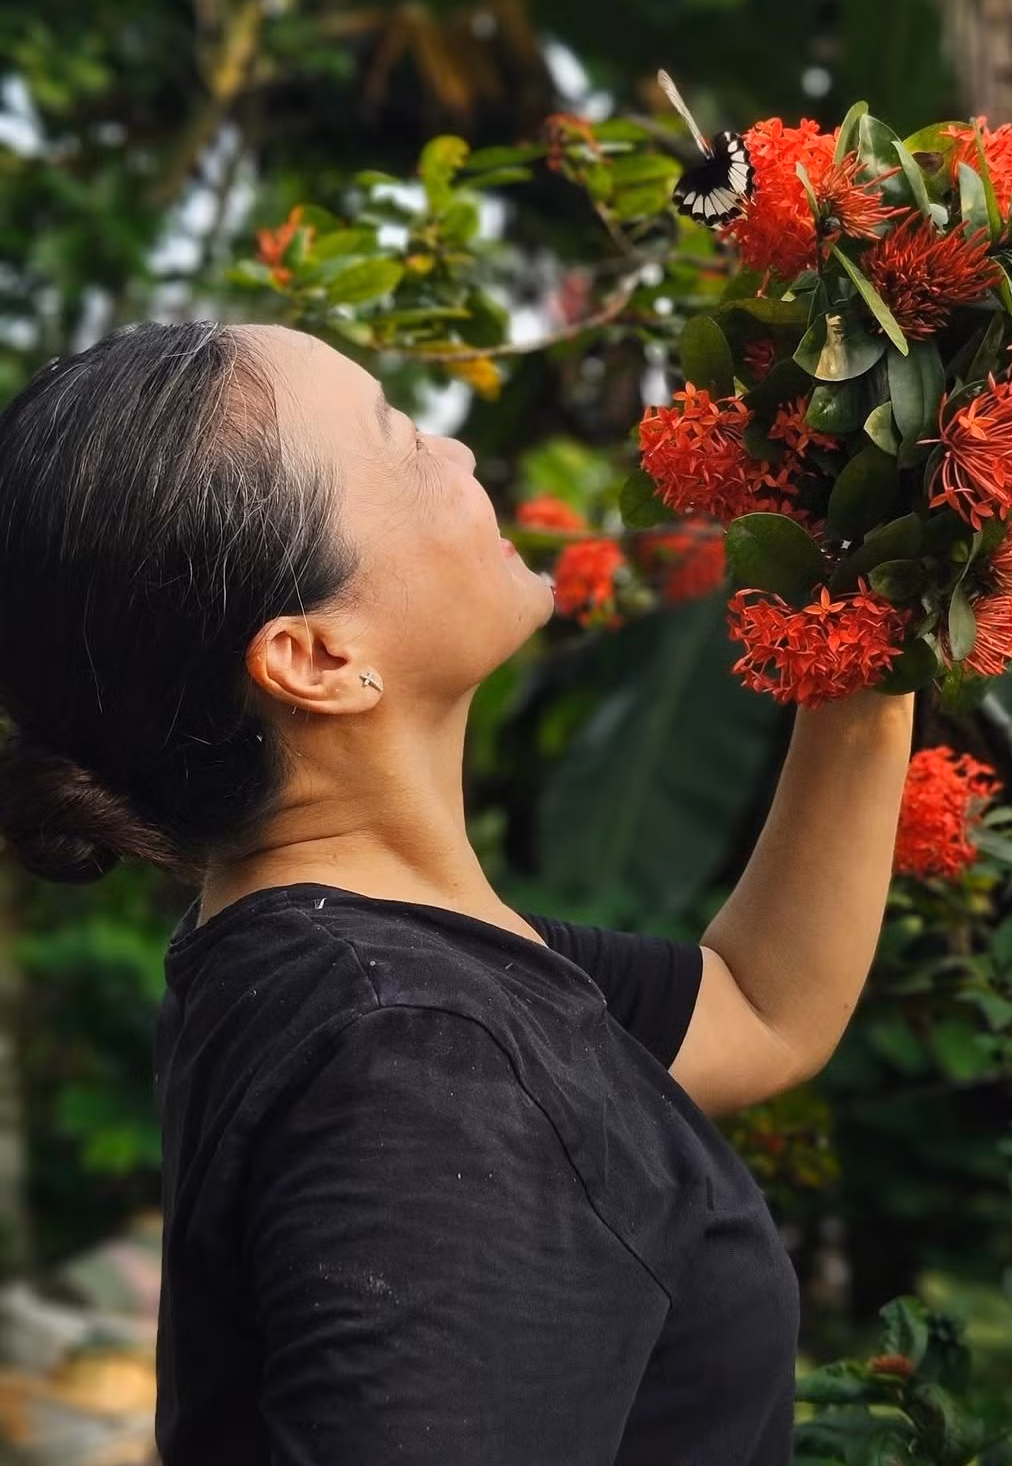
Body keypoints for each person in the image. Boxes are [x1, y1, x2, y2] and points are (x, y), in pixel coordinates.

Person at [0, 320, 914, 1465]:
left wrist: (882, 614)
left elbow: (761, 1008)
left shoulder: (357, 961)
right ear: (315, 656)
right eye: (398, 438)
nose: (462, 453)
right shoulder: (413, 1062)